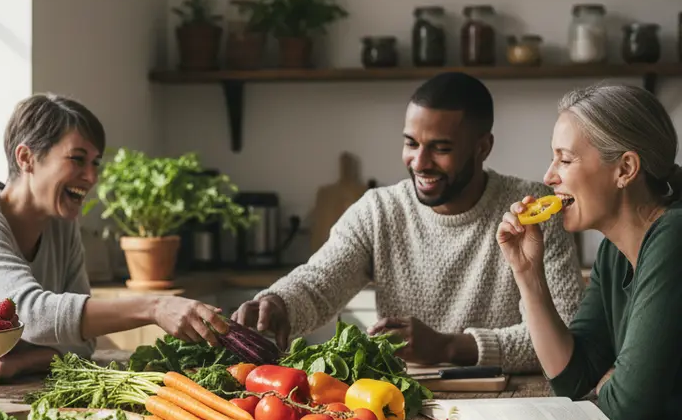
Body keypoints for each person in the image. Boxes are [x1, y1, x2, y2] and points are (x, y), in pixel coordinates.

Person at [233, 71, 585, 372]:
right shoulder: (379, 211)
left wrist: (450, 347)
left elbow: (565, 332)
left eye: (441, 148)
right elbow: (319, 283)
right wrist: (278, 303)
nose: (419, 162)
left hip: (517, 402)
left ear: (482, 148)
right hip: (408, 407)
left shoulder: (532, 210)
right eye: (411, 143)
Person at [0, 92, 227, 409]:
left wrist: (27, 359)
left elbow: (82, 342)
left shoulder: (60, 225)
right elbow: (34, 315)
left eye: (96, 163)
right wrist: (155, 306)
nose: (92, 176)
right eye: (77, 159)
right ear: (26, 158)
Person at [497, 81, 682, 420]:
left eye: (565, 158)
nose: (549, 176)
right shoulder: (614, 251)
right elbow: (573, 378)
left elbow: (631, 402)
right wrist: (528, 275)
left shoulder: (674, 236)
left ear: (625, 169)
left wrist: (616, 382)